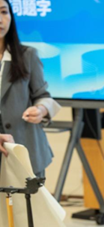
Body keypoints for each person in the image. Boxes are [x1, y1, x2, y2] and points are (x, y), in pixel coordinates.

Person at [0, 0, 60, 177]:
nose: (0, 19)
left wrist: (40, 110)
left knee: (31, 196)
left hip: (26, 148)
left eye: (4, 12)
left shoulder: (27, 55)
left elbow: (43, 96)